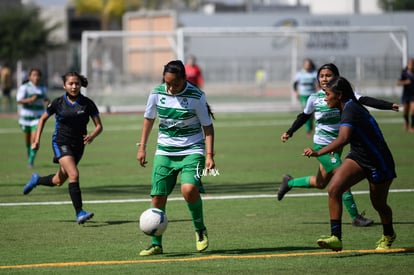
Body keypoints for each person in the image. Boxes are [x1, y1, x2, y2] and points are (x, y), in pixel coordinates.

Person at [279, 63, 399, 227]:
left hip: (339, 144)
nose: (324, 78)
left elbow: (364, 99)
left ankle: (289, 182)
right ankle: (356, 217)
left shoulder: (343, 95)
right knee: (340, 178)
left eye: (328, 75)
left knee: (321, 183)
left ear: (336, 77)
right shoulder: (314, 98)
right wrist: (290, 131)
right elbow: (304, 116)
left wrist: (388, 105)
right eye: (321, 76)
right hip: (323, 146)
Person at [303, 76, 396, 251]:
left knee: (379, 204)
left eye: (327, 94)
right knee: (334, 189)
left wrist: (318, 152)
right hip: (358, 157)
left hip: (379, 161)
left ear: (339, 95)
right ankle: (336, 237)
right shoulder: (345, 106)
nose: (325, 98)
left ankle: (389, 233)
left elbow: (344, 138)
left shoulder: (350, 110)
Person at [137, 60, 215, 256]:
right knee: (158, 196)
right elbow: (149, 119)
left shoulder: (196, 96)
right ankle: (156, 244)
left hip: (193, 149)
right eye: (167, 83)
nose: (170, 88)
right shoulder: (156, 93)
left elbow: (208, 127)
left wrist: (209, 155)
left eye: (175, 84)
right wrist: (142, 147)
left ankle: (200, 231)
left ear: (184, 79)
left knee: (188, 190)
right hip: (165, 151)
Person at [22, 72, 103, 225]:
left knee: (59, 180)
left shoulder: (87, 103)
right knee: (74, 174)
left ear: (80, 85)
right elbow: (42, 119)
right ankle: (79, 212)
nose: (74, 86)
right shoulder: (58, 103)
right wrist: (37, 140)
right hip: (61, 142)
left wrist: (92, 135)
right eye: (71, 84)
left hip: (78, 146)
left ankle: (36, 180)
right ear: (64, 85)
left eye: (77, 83)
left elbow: (99, 126)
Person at [16, 68, 49, 168]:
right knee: (27, 141)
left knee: (34, 139)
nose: (36, 77)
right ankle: (29, 152)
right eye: (34, 75)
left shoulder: (43, 88)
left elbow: (46, 99)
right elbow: (19, 100)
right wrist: (30, 99)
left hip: (38, 117)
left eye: (38, 75)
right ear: (29, 77)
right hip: (26, 117)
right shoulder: (24, 87)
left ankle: (31, 161)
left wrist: (48, 102)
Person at [293, 58, 319, 136]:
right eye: (306, 64)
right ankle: (308, 130)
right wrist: (296, 92)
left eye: (309, 64)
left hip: (312, 94)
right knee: (306, 111)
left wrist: (319, 90)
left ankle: (311, 126)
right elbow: (295, 84)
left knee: (312, 112)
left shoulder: (314, 73)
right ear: (304, 65)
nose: (307, 66)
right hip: (303, 94)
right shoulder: (300, 73)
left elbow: (318, 83)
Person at [397, 58, 414, 132]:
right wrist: (406, 82)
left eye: (412, 64)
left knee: (413, 110)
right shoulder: (404, 73)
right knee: (405, 112)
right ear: (408, 65)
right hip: (406, 94)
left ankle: (412, 127)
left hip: (413, 95)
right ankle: (406, 121)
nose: (411, 66)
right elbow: (398, 83)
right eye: (410, 64)